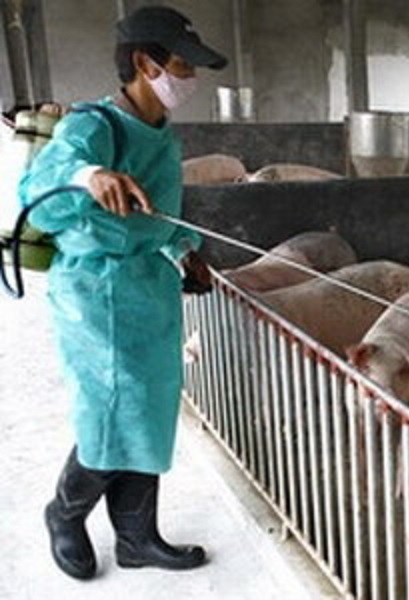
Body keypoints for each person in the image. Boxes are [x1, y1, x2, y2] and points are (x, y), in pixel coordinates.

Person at [18, 6, 227, 580]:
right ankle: (64, 514)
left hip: (147, 290)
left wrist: (185, 252)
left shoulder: (162, 135)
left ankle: (136, 537)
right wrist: (89, 176)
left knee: (149, 411)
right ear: (144, 62)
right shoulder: (93, 127)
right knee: (113, 412)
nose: (190, 77)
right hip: (95, 292)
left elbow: (161, 216)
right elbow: (36, 193)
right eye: (182, 64)